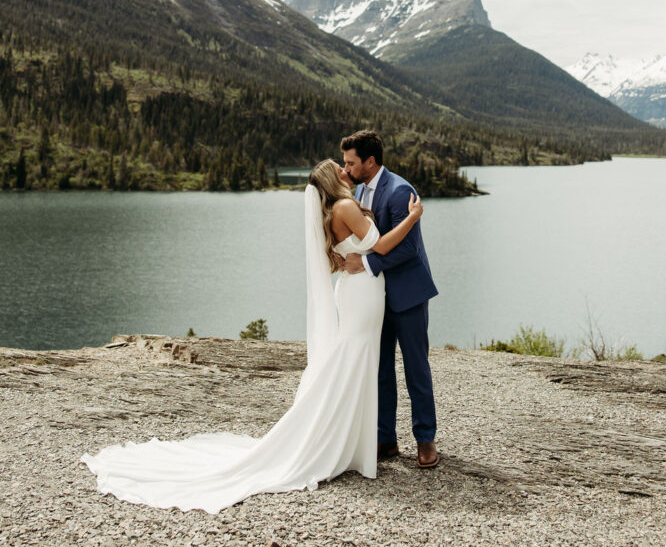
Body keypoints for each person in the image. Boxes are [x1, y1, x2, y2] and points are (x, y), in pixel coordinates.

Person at [80, 160, 423, 513]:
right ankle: (338, 440)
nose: (345, 169)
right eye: (340, 166)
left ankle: (350, 443)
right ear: (331, 179)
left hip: (358, 292)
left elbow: (350, 253)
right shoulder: (346, 206)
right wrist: (412, 219)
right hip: (362, 295)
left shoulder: (337, 208)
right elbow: (380, 246)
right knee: (354, 359)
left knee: (356, 361)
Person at [341, 130, 439, 469]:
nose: (347, 168)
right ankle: (386, 439)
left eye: (351, 162)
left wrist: (366, 263)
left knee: (416, 368)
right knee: (380, 369)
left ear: (371, 161)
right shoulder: (355, 190)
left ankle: (425, 441)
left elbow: (409, 249)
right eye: (344, 163)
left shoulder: (400, 191)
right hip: (376, 297)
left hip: (409, 294)